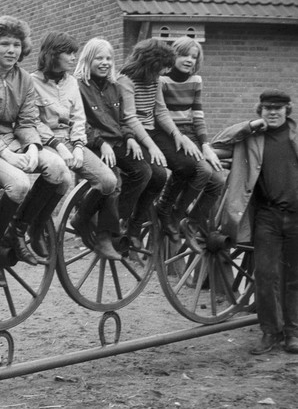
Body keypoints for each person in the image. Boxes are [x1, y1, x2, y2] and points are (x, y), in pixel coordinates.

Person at [0, 15, 71, 287]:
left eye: (17, 45)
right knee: (19, 184)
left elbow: (27, 121)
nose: (12, 50)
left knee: (59, 171)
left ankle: (17, 231)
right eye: (5, 44)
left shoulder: (23, 78)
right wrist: (6, 154)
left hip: (14, 139)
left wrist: (33, 145)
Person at [212, 90, 298, 355]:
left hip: (296, 216)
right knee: (265, 275)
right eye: (267, 108)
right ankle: (270, 333)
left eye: (278, 108)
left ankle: (293, 333)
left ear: (288, 110)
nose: (273, 113)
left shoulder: (295, 135)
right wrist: (249, 126)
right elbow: (218, 141)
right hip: (267, 216)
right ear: (259, 110)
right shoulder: (251, 137)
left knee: (294, 278)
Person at [30, 32, 120, 260]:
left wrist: (79, 145)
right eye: (68, 53)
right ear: (52, 55)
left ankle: (80, 218)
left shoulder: (71, 83)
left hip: (72, 141)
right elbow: (33, 122)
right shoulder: (31, 82)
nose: (73, 58)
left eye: (74, 53)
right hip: (46, 143)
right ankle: (37, 225)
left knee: (108, 181)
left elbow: (79, 119)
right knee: (60, 178)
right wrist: (58, 145)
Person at [74, 37, 157, 251]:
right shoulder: (78, 86)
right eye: (99, 58)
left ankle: (113, 220)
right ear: (88, 60)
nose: (105, 62)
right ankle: (100, 230)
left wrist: (130, 138)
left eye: (109, 58)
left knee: (143, 171)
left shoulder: (114, 87)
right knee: (113, 181)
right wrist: (100, 142)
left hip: (116, 140)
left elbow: (121, 121)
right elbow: (78, 122)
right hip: (92, 143)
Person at [117, 38, 201, 247]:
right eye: (158, 70)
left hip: (153, 131)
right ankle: (133, 224)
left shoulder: (155, 79)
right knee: (158, 174)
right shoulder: (125, 81)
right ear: (148, 65)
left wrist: (177, 135)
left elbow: (160, 111)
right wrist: (152, 147)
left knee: (188, 165)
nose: (160, 74)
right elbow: (130, 117)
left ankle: (164, 209)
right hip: (133, 134)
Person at [158, 36, 224, 250]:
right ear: (174, 55)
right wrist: (180, 136)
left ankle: (191, 222)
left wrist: (205, 144)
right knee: (202, 170)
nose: (189, 60)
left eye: (194, 57)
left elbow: (197, 115)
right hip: (170, 133)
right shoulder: (162, 81)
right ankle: (171, 214)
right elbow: (160, 115)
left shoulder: (196, 81)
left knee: (218, 180)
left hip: (191, 134)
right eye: (184, 55)